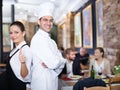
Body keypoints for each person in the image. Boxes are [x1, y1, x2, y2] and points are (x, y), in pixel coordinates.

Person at [30, 2, 65, 90]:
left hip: (52, 81)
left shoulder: (52, 41)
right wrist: (61, 60)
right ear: (39, 21)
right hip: (41, 83)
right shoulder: (38, 39)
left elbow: (56, 63)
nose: (48, 23)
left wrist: (59, 61)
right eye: (45, 20)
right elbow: (54, 63)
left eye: (51, 20)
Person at [0, 21, 32, 90]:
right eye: (11, 33)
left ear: (23, 33)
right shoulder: (16, 49)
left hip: (17, 86)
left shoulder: (26, 50)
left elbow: (25, 76)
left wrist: (23, 63)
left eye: (16, 32)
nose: (13, 35)